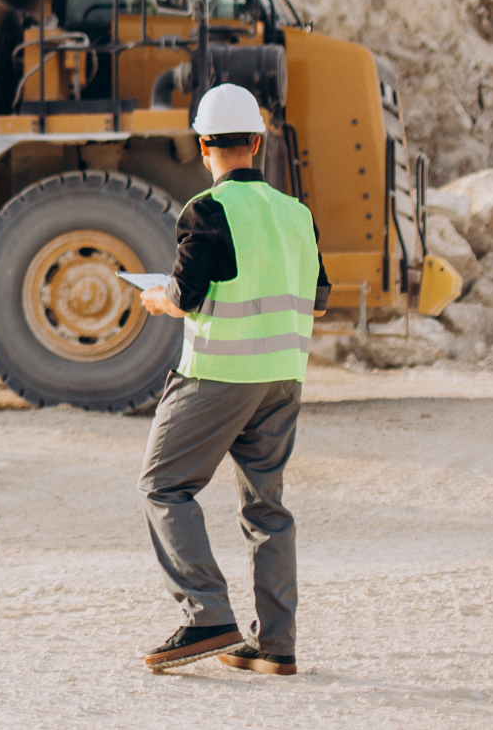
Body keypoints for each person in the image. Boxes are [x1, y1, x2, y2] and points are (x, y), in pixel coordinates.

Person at [134, 83, 329, 675]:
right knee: (267, 508)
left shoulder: (205, 210)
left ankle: (207, 614)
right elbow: (319, 303)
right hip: (283, 378)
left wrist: (155, 298)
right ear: (257, 142)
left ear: (202, 145)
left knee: (163, 485)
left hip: (219, 374)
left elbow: (187, 298)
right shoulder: (297, 214)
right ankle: (276, 643)